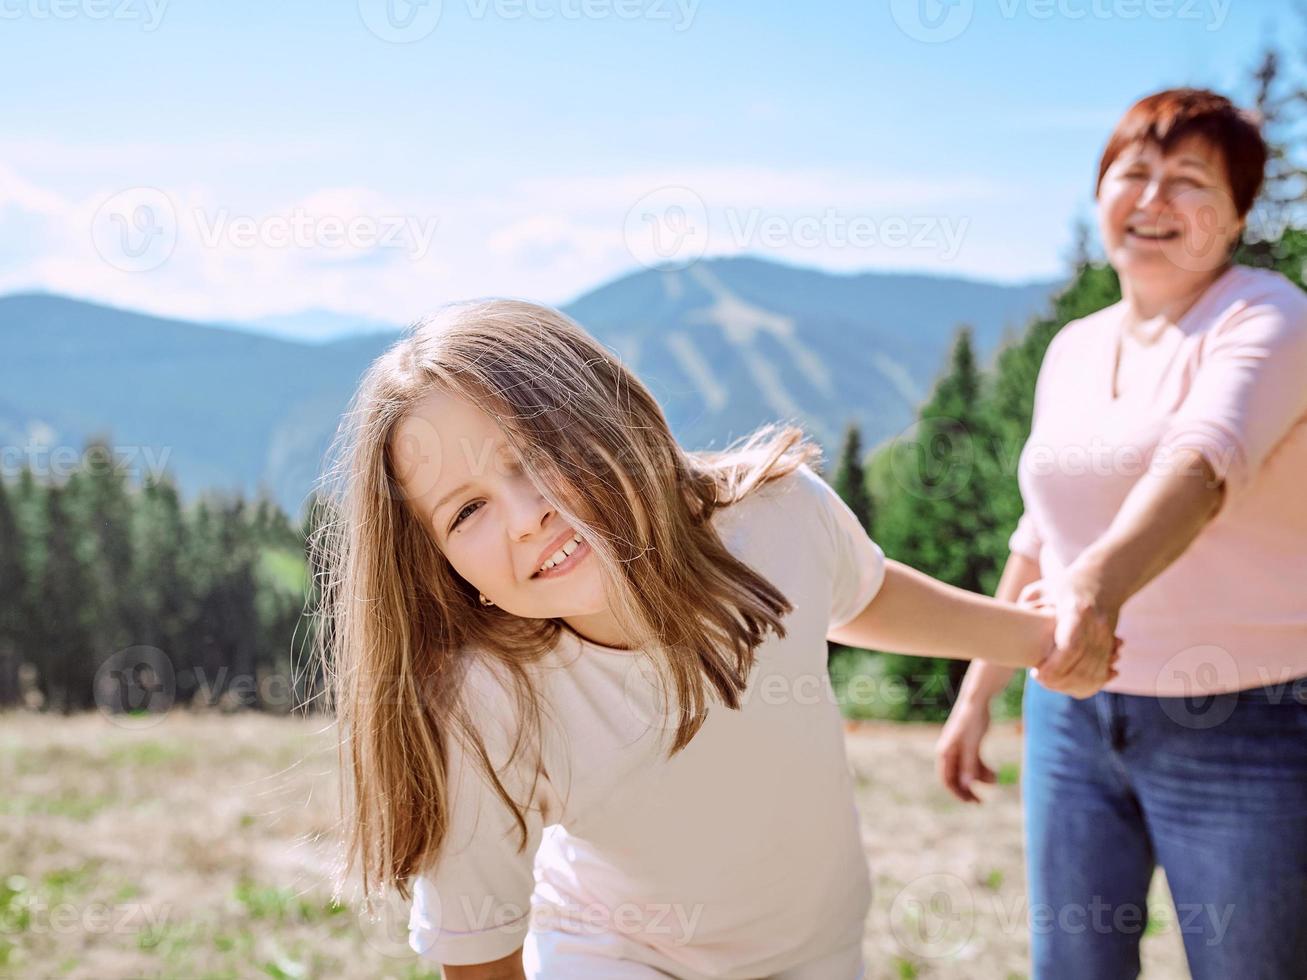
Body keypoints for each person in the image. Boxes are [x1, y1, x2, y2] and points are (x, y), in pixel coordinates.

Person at [312, 299, 1116, 980]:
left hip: (821, 951)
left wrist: (1039, 639)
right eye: (466, 511)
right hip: (617, 953)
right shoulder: (486, 704)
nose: (526, 519)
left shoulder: (777, 518)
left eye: (535, 454)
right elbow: (478, 953)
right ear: (448, 570)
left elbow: (858, 592)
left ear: (608, 417)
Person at [936, 87, 1307, 980]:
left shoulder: (1267, 316)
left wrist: (1096, 590)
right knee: (1071, 966)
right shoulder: (1071, 348)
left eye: (1187, 180)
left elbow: (1200, 466)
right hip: (1067, 713)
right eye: (1131, 173)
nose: (1151, 200)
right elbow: (1042, 532)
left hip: (1245, 718)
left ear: (1236, 214)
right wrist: (977, 691)